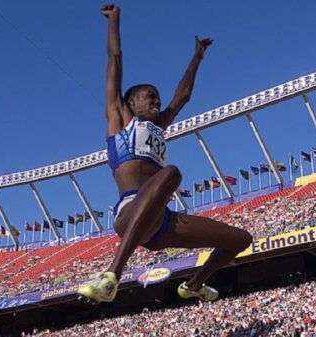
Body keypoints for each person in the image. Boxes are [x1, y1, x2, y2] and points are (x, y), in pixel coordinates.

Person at [78, 4, 253, 303]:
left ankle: (195, 284)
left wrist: (197, 56)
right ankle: (111, 275)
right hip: (130, 211)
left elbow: (182, 96)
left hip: (162, 221)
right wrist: (114, 20)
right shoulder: (120, 119)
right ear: (131, 103)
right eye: (150, 98)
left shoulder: (158, 126)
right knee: (170, 173)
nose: (157, 102)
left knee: (240, 239)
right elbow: (115, 60)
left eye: (158, 98)